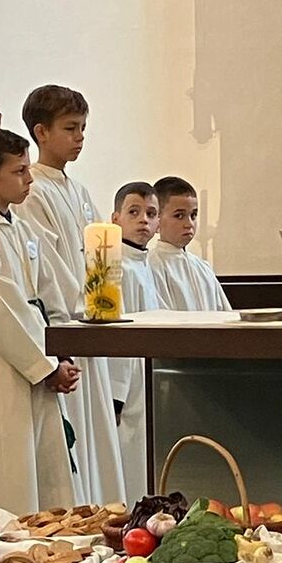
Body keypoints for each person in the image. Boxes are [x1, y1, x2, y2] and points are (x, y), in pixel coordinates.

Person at [0, 127, 78, 544]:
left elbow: (51, 290)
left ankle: (46, 548)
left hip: (37, 351)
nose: (29, 178)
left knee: (40, 461)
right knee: (3, 463)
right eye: (19, 171)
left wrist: (63, 349)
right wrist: (46, 365)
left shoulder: (21, 228)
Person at [14, 84, 126, 507]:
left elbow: (100, 254)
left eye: (83, 129)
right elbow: (46, 265)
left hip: (91, 321)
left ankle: (102, 508)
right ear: (41, 132)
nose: (80, 137)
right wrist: (79, 309)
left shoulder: (78, 191)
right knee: (76, 431)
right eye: (70, 128)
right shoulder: (33, 192)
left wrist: (105, 298)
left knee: (97, 429)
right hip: (67, 326)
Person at [109, 180, 161, 488]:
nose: (143, 220)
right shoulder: (119, 268)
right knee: (128, 461)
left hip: (146, 379)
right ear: (115, 218)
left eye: (151, 214)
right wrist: (116, 395)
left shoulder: (144, 265)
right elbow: (119, 336)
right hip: (127, 387)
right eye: (134, 212)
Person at [147, 176, 234, 312]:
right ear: (157, 221)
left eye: (193, 215)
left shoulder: (203, 268)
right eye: (179, 216)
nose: (189, 224)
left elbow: (225, 315)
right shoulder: (151, 267)